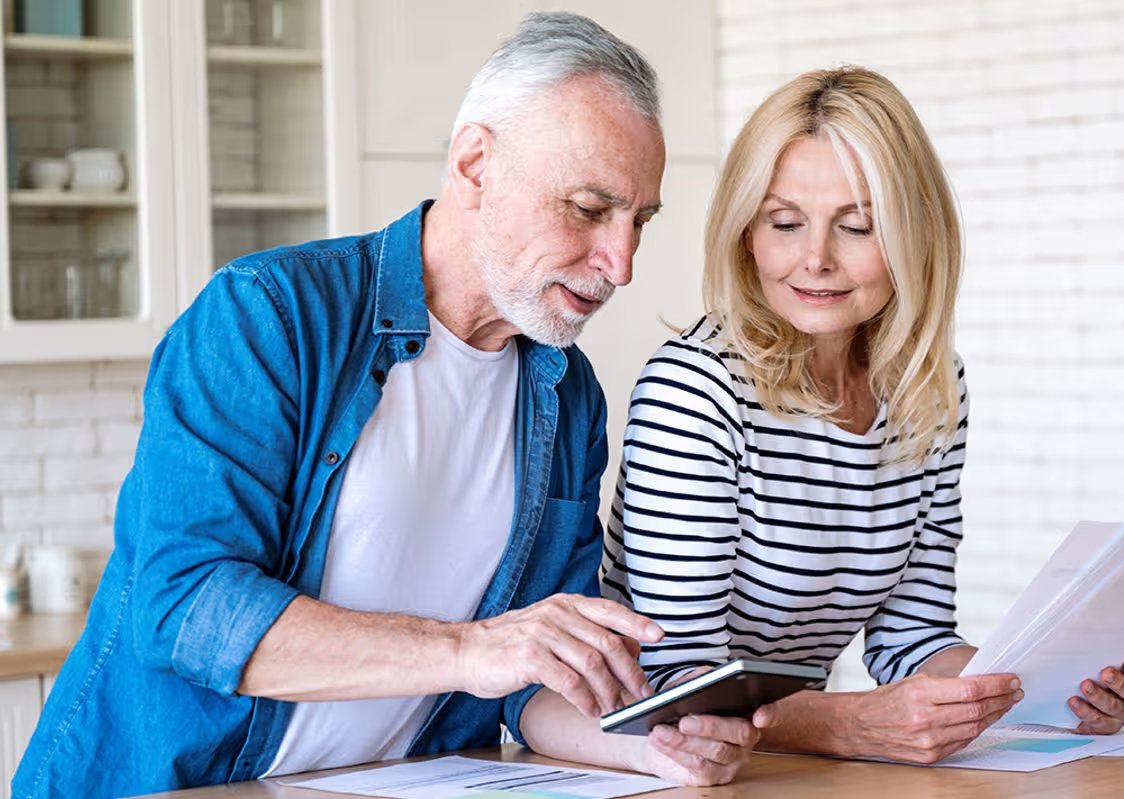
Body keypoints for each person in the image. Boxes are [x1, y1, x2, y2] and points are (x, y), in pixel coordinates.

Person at [13, 14, 760, 799]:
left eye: (638, 220)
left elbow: (528, 680)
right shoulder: (270, 316)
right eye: (586, 208)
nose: (622, 263)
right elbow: (184, 606)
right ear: (475, 163)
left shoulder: (566, 394)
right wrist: (470, 650)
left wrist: (652, 746)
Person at [600, 66, 1124, 765]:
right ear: (746, 233)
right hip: (663, 767)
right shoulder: (696, 389)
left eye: (857, 226)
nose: (816, 258)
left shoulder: (928, 387)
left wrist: (1049, 691)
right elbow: (677, 681)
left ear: (912, 236)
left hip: (779, 765)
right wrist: (845, 724)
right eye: (785, 222)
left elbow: (912, 641)